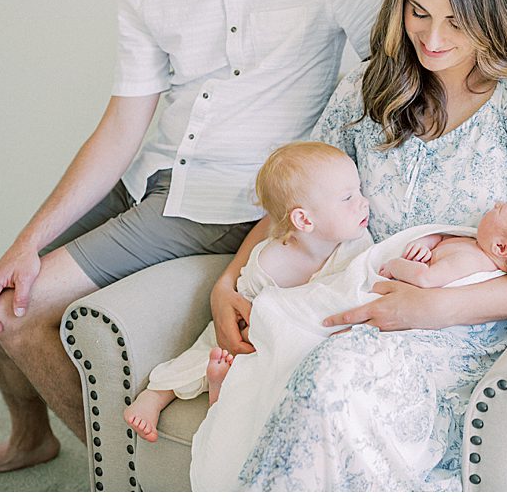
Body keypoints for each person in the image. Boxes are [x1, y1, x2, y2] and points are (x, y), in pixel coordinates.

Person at [0, 0, 384, 483]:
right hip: (152, 178)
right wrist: (25, 242)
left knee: (15, 312)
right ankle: (28, 439)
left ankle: (124, 475)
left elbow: (407, 61)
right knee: (0, 289)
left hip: (228, 199)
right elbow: (123, 124)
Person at [204, 0, 507, 491]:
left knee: (331, 384)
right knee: (306, 370)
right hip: (349, 301)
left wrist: (431, 309)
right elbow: (298, 202)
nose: (432, 39)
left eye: (457, 22)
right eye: (419, 12)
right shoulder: (369, 85)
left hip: (455, 334)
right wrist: (229, 282)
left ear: (493, 15)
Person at [191, 197, 507, 491]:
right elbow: (294, 193)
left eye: (505, 210)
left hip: (443, 329)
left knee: (331, 373)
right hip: (355, 284)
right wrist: (226, 283)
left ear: (504, 250)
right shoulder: (357, 101)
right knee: (297, 342)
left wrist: (434, 305)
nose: (496, 204)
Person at [123, 141, 372, 443]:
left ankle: (224, 392)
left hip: (306, 338)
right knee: (214, 346)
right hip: (257, 335)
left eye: (358, 191)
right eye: (348, 198)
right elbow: (243, 302)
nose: (363, 202)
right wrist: (247, 326)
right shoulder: (269, 260)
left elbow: (359, 292)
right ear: (304, 220)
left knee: (275, 370)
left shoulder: (357, 246)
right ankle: (157, 394)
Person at [378, 198, 507, 288]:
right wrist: (425, 243)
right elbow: (443, 238)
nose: (497, 203)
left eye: (501, 209)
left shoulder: (470, 261)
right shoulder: (478, 245)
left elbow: (425, 278)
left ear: (500, 247)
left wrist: (394, 266)